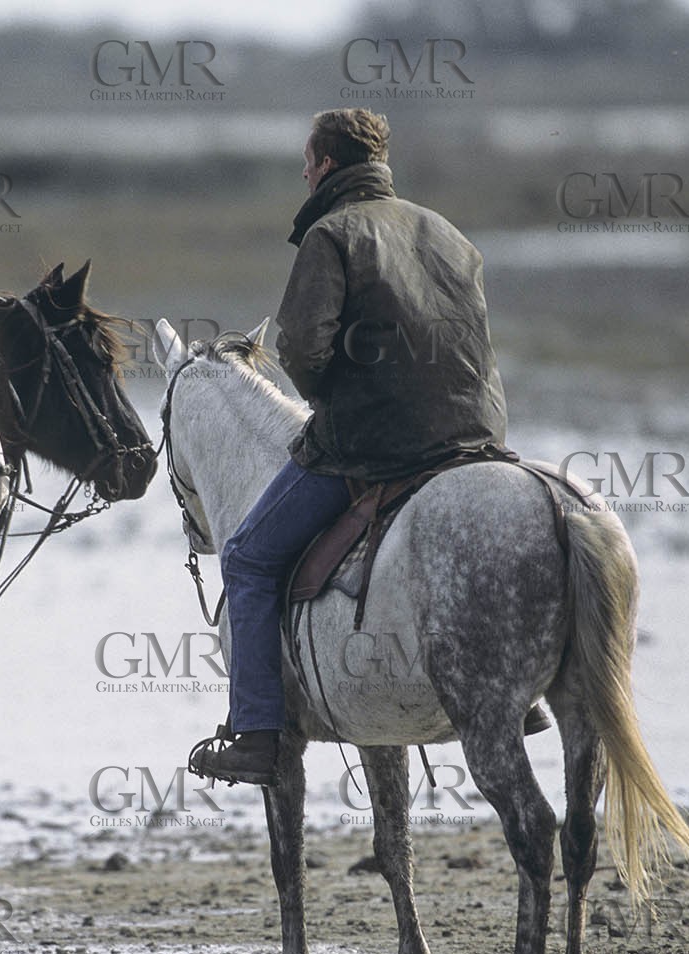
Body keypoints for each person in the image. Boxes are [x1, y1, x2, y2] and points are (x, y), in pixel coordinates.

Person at [189, 108, 523, 788]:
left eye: (307, 164)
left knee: (248, 557)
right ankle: (529, 693)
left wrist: (331, 400)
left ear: (329, 166)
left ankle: (256, 732)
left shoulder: (330, 232)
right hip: (477, 438)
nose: (303, 174)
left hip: (377, 444)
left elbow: (302, 348)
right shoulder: (449, 232)